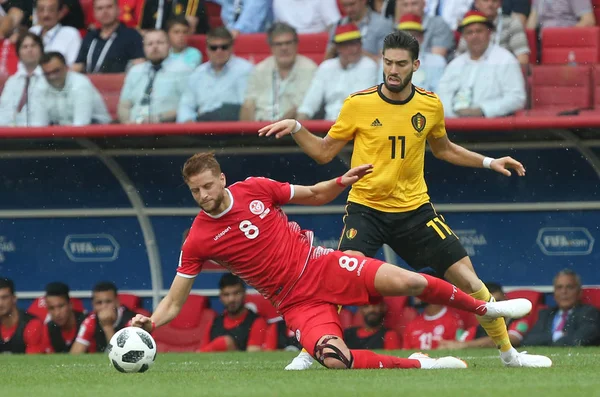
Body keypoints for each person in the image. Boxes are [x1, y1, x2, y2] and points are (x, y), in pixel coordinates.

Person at [258, 30, 551, 370]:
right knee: (338, 281)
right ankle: (311, 351)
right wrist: (297, 127)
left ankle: (508, 354)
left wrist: (489, 161)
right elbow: (324, 153)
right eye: (387, 63)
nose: (392, 70)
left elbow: (444, 149)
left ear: (415, 65)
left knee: (471, 282)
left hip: (414, 211)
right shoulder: (358, 104)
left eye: (400, 64)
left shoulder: (429, 104)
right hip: (366, 209)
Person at [131, 152, 534, 371]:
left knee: (409, 282)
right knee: (335, 360)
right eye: (194, 191)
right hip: (295, 302)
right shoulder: (198, 237)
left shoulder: (254, 187)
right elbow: (174, 301)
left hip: (321, 266)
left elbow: (314, 193)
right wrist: (150, 321)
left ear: (220, 179)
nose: (202, 196)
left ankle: (487, 307)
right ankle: (419, 364)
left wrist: (342, 182)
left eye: (206, 186)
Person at [522, 269, 600, 347]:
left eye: (569, 287)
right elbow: (528, 340)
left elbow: (580, 339)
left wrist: (546, 339)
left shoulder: (589, 312)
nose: (564, 292)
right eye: (559, 287)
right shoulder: (545, 314)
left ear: (579, 292)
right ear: (554, 292)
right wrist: (556, 336)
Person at [197, 273, 268, 352]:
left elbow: (253, 357)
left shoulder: (256, 321)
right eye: (226, 295)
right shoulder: (214, 323)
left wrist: (227, 345)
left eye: (236, 293)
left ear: (244, 294)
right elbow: (201, 354)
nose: (231, 299)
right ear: (220, 297)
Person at [71, 282, 137, 353]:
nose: (104, 307)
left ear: (117, 302)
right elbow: (75, 354)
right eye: (99, 303)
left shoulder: (131, 320)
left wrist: (108, 327)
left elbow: (120, 355)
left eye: (108, 302)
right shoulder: (90, 321)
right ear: (93, 305)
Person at [0, 277, 44, 353]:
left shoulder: (32, 324)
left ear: (14, 298)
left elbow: (34, 362)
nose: (0, 303)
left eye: (4, 298)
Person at [41, 282, 87, 353]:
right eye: (51, 308)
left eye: (61, 306)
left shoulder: (86, 323)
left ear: (70, 305)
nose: (57, 313)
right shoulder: (48, 328)